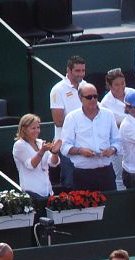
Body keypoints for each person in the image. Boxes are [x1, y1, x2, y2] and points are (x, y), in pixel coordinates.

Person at [60, 83, 121, 192]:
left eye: (95, 96)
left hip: (106, 172)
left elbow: (117, 141)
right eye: (89, 97)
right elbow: (64, 147)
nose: (93, 99)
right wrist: (80, 151)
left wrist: (112, 150)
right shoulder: (72, 118)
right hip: (83, 174)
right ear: (80, 98)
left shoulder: (108, 115)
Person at [49, 55, 85, 189]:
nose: (81, 74)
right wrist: (83, 123)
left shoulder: (86, 86)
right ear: (69, 70)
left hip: (85, 142)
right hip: (66, 144)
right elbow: (58, 121)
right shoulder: (58, 90)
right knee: (70, 184)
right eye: (77, 71)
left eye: (83, 70)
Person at [100, 69, 135, 191]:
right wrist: (127, 123)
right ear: (109, 86)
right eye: (116, 84)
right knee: (120, 177)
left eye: (123, 83)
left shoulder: (133, 93)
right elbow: (109, 127)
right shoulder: (105, 103)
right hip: (119, 145)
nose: (121, 87)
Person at [12, 113, 61, 200]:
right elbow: (31, 165)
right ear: (24, 129)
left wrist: (55, 152)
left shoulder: (40, 142)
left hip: (47, 191)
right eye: (33, 128)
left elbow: (53, 163)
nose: (37, 131)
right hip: (31, 192)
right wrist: (42, 150)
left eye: (38, 127)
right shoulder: (19, 145)